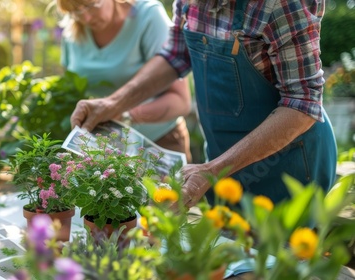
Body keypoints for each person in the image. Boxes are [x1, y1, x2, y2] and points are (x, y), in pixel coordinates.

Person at [70, 0, 337, 207]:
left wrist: (212, 170)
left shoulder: (281, 4)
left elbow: (303, 103)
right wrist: (112, 104)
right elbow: (176, 55)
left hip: (288, 167)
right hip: (223, 162)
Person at [55, 0, 193, 162]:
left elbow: (181, 101)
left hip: (159, 146)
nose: (85, 17)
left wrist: (123, 115)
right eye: (75, 10)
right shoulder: (72, 31)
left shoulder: (148, 16)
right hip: (104, 151)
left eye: (91, 6)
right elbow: (69, 91)